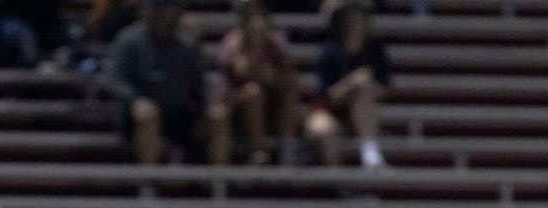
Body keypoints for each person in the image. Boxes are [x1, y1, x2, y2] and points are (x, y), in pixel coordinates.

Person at [106, 0, 219, 167]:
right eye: (155, 7)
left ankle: (219, 184)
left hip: (179, 112)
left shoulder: (187, 43)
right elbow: (117, 80)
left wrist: (207, 106)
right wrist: (136, 101)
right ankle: (149, 181)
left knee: (218, 114)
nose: (160, 13)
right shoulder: (127, 40)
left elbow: (199, 83)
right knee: (148, 114)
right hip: (140, 115)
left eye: (165, 7)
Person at [208, 0, 300, 166]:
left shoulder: (277, 41)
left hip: (272, 108)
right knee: (253, 92)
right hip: (237, 108)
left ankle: (288, 152)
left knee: (289, 94)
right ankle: (258, 149)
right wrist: (255, 45)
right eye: (248, 11)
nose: (254, 16)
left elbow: (290, 79)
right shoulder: (233, 40)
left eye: (256, 9)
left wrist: (272, 77)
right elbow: (240, 72)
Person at [305, 0, 390, 169]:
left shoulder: (374, 50)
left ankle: (369, 152)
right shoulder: (329, 51)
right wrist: (353, 82)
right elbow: (327, 96)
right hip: (331, 111)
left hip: (363, 113)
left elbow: (384, 89)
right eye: (350, 21)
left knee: (364, 88)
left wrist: (363, 84)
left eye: (358, 21)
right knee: (322, 129)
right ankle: (336, 182)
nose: (355, 25)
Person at [0, 0, 77, 71]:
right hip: (3, 20)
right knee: (24, 34)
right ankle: (35, 69)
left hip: (40, 22)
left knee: (74, 32)